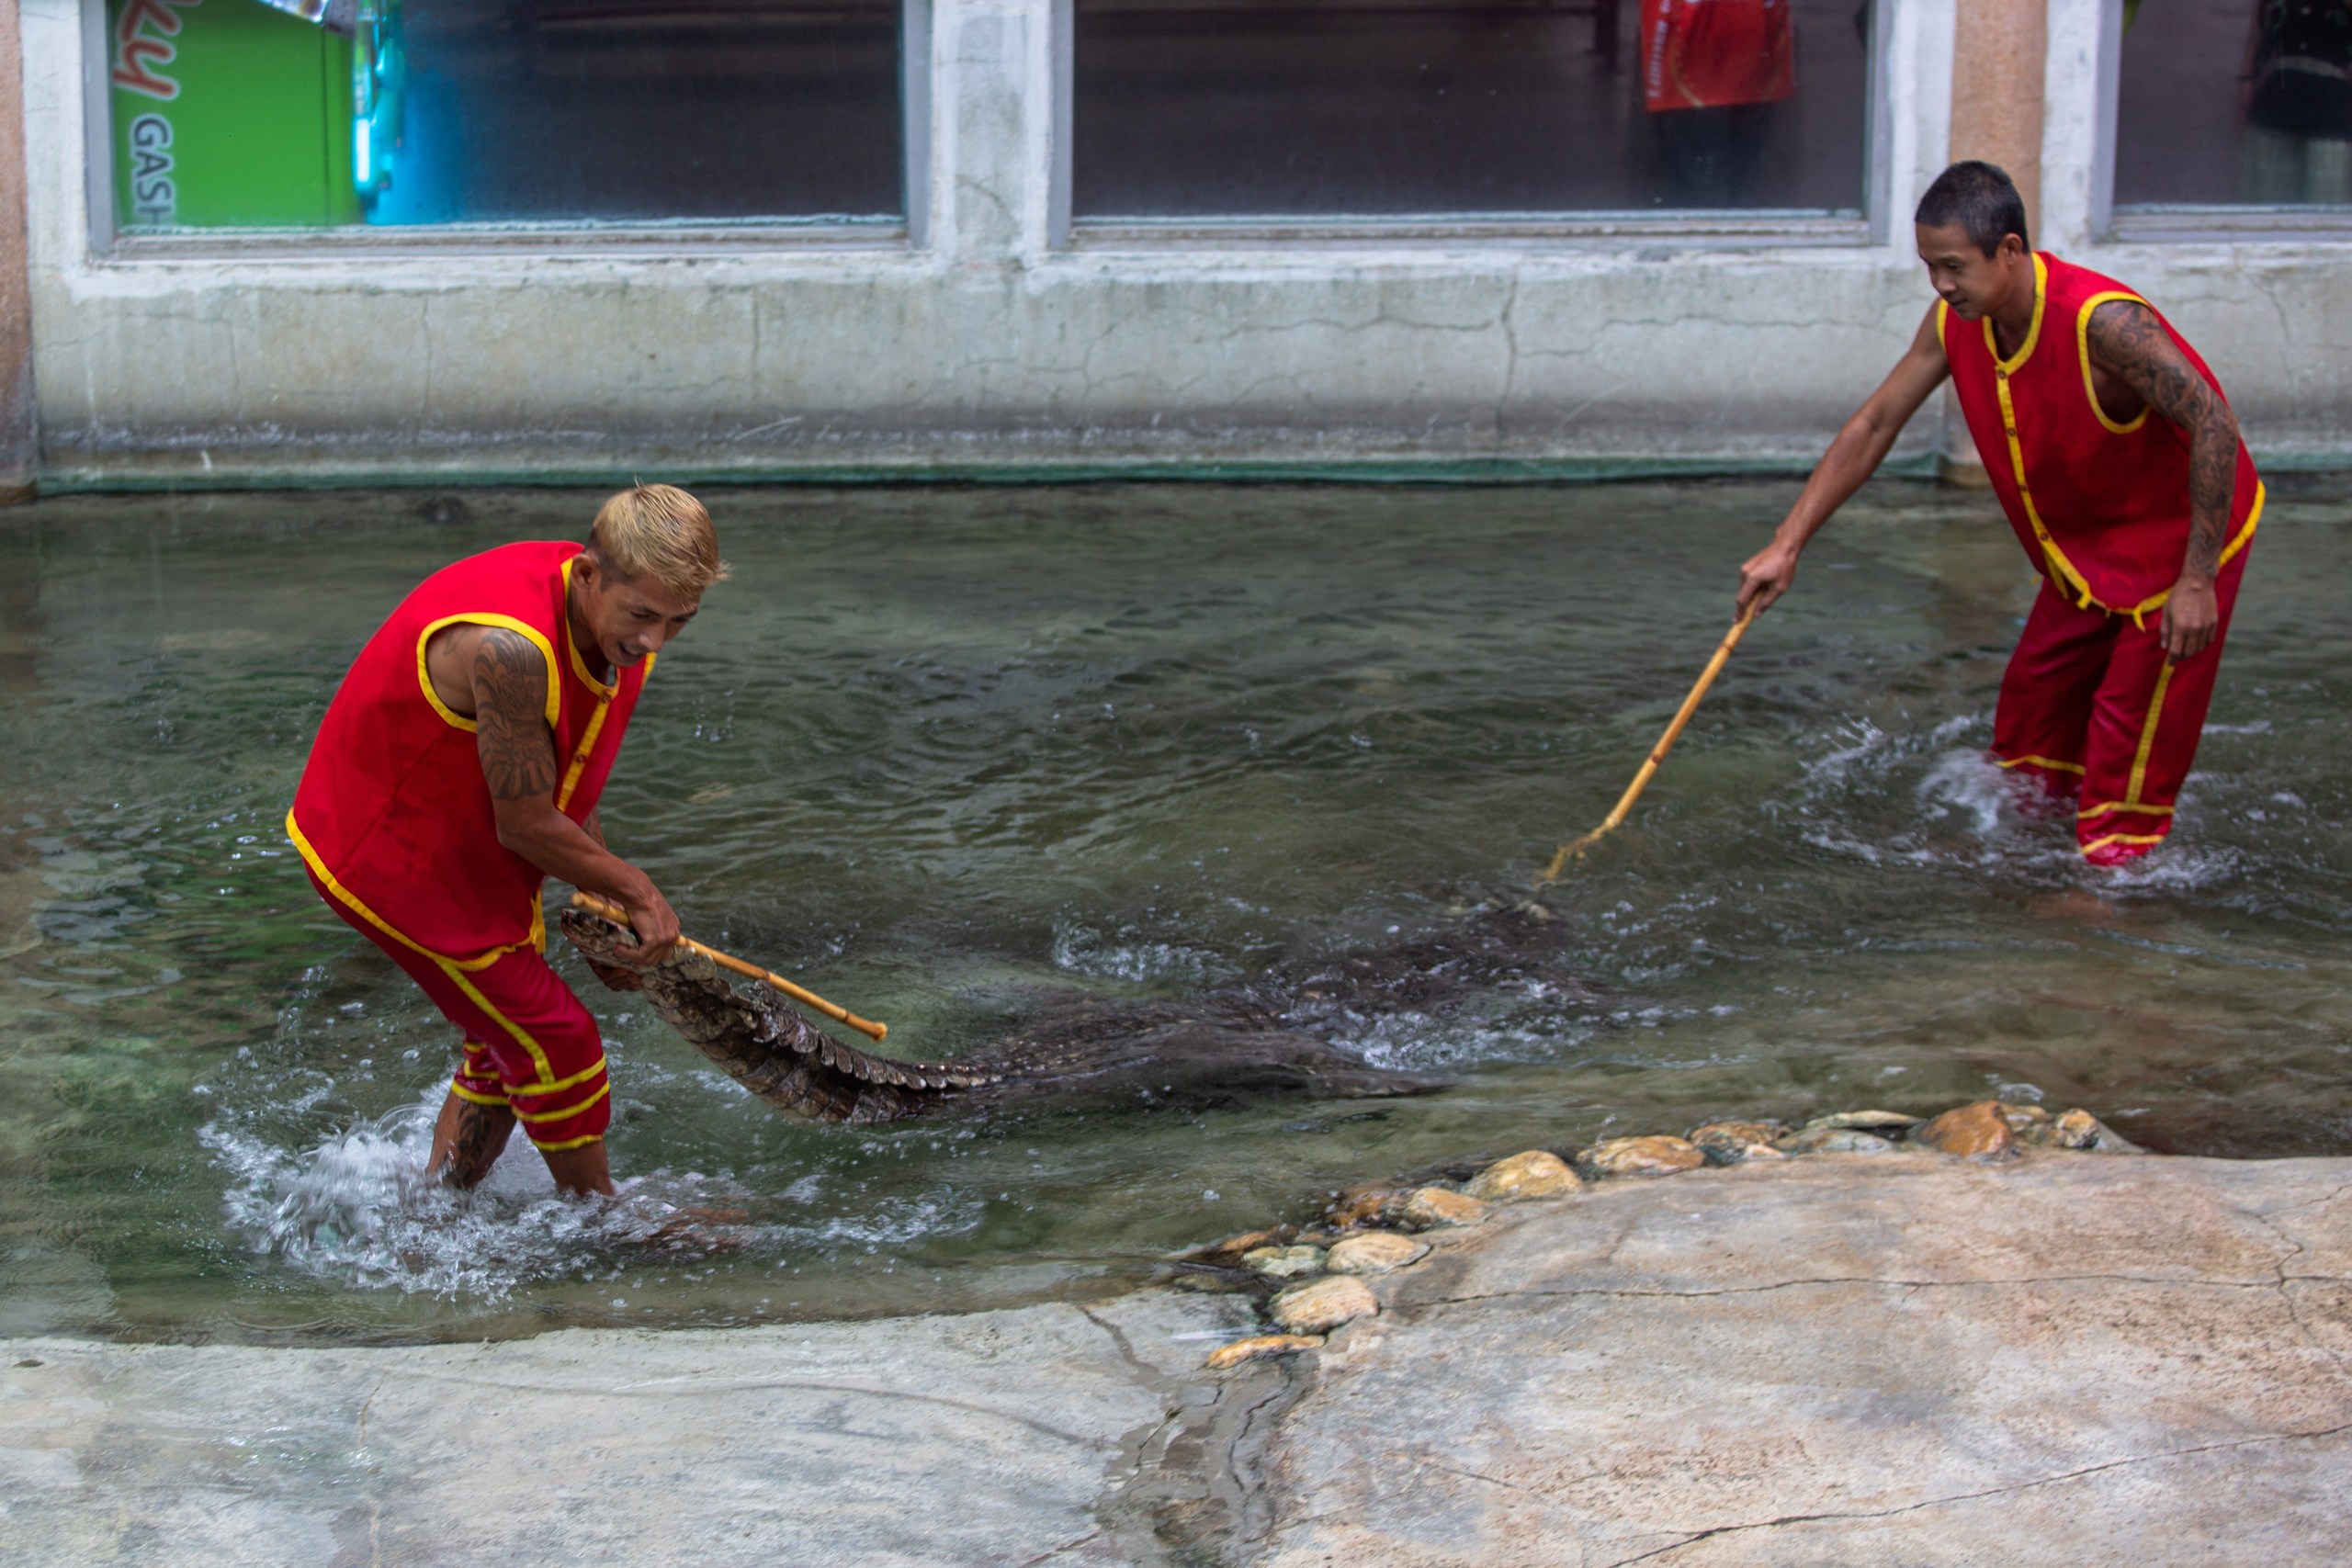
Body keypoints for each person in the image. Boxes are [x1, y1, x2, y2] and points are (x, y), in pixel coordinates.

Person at [1736, 161, 2262, 866]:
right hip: (2083, 551)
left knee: (2127, 735)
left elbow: (2214, 424)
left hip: (2179, 549)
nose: (1941, 286)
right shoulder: (1956, 323)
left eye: (1954, 266)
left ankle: (2113, 896)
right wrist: (1787, 543)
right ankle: (2024, 850)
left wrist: (2198, 581)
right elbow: (1876, 423)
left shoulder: (2104, 325)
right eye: (1930, 267)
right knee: (2030, 717)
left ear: (2009, 251)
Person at [287, 485, 727, 1193]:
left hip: (465, 840)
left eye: (680, 620)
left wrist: (598, 901)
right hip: (387, 851)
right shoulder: (513, 650)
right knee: (559, 1037)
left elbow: (567, 773)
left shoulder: (617, 625)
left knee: (506, 1036)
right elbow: (523, 822)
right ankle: (601, 1224)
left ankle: (435, 1209)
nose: (653, 641)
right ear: (589, 576)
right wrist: (638, 890)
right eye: (643, 615)